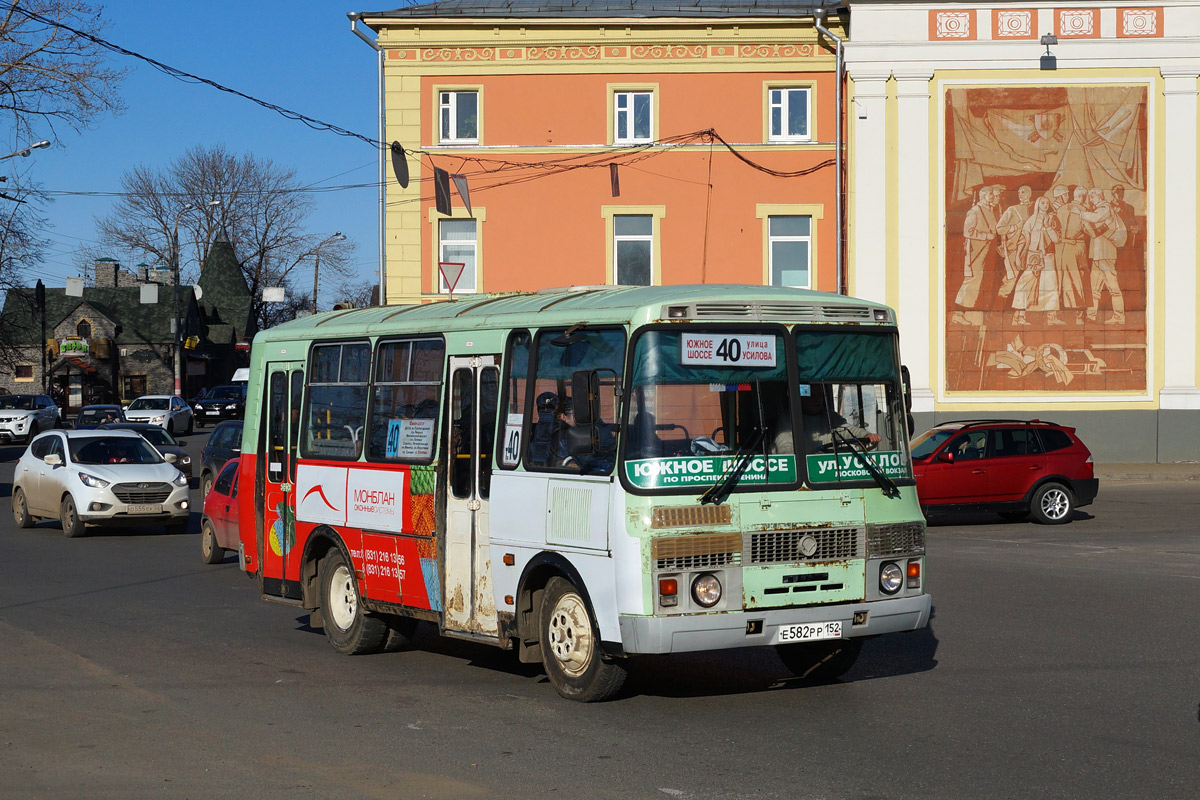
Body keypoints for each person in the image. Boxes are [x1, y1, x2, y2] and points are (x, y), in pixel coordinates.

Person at [799, 386, 881, 452]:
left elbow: (846, 429)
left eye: (819, 396)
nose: (817, 400)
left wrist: (866, 435)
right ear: (801, 398)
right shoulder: (789, 421)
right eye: (812, 396)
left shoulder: (829, 417)